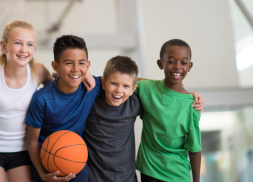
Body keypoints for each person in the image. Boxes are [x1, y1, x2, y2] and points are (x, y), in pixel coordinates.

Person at [0, 21, 95, 182]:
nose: (23, 49)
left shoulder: (39, 71)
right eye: (17, 43)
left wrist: (86, 73)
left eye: (29, 44)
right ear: (4, 46)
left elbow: (60, 85)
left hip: (22, 150)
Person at [83, 55, 204, 182]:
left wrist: (185, 93)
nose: (118, 90)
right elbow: (64, 78)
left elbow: (158, 91)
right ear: (103, 82)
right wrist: (85, 75)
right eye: (113, 84)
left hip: (127, 178)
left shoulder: (134, 103)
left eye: (125, 86)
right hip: (94, 178)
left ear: (133, 89)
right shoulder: (88, 101)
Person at [26, 35, 104, 182]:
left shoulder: (92, 87)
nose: (75, 69)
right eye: (68, 63)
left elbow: (121, 81)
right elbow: (31, 140)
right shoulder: (41, 99)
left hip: (77, 162)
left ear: (87, 66)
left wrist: (156, 84)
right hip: (47, 166)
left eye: (81, 63)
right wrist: (43, 175)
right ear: (55, 66)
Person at [134, 39, 202, 182]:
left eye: (183, 63)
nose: (177, 67)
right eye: (171, 61)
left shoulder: (192, 105)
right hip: (150, 170)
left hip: (179, 175)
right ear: (161, 63)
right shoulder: (147, 88)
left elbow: (195, 147)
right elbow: (125, 80)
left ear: (189, 66)